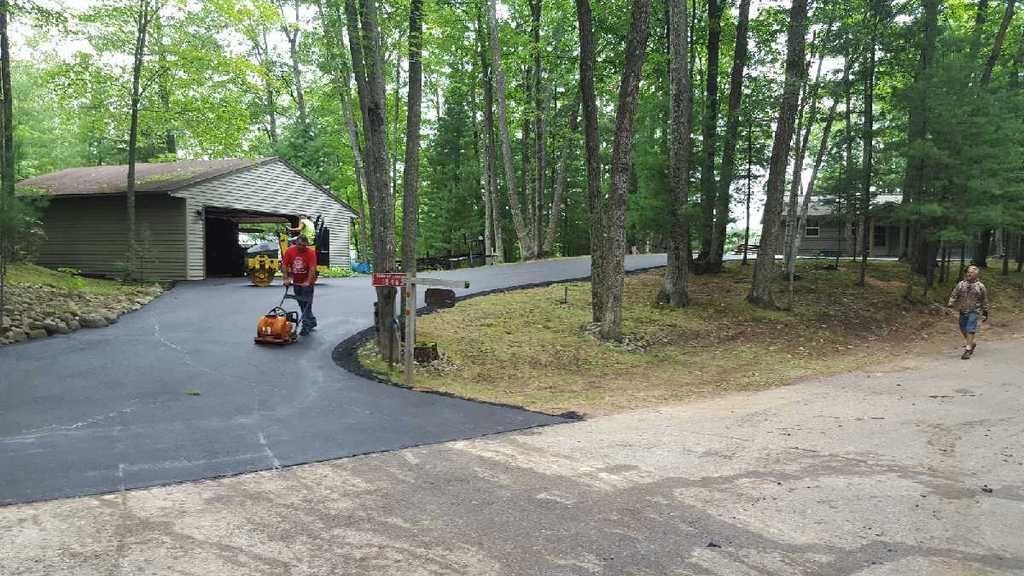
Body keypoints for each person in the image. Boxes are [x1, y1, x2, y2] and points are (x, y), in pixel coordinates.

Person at [947, 265, 989, 360]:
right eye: (968, 272)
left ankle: (968, 349)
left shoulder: (980, 286)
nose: (969, 273)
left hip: (974, 311)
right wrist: (950, 303)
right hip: (962, 310)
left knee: (970, 328)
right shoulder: (961, 284)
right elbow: (954, 294)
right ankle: (971, 343)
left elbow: (984, 300)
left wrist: (985, 311)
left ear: (976, 274)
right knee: (962, 328)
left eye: (971, 272)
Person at [282, 234, 318, 336]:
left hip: (308, 283)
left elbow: (312, 268)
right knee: (302, 304)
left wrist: (308, 281)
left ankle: (305, 326)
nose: (301, 247)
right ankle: (312, 321)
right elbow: (284, 265)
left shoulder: (310, 253)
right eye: (299, 244)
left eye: (303, 245)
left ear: (306, 244)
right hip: (296, 282)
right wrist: (286, 278)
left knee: (306, 304)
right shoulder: (290, 251)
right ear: (296, 243)